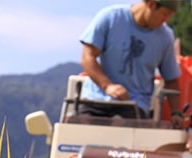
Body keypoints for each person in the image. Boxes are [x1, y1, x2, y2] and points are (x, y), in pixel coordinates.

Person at [78, 0, 184, 128]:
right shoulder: (110, 17)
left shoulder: (165, 37)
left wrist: (176, 112)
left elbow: (171, 79)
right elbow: (87, 57)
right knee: (79, 134)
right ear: (151, 4)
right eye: (165, 14)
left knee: (125, 135)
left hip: (134, 106)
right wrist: (107, 86)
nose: (166, 20)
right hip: (95, 100)